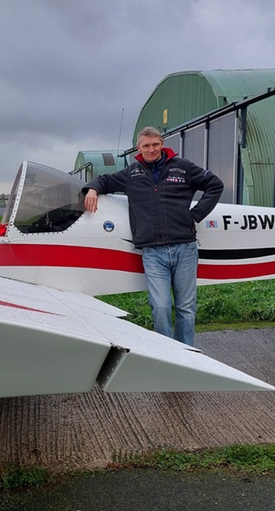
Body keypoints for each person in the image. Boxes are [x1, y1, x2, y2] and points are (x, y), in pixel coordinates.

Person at [82, 127, 223, 347]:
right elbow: (105, 180)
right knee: (161, 307)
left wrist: (195, 215)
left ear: (162, 144)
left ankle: (187, 355)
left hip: (184, 247)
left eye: (155, 144)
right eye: (146, 146)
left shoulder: (182, 167)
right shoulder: (132, 173)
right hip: (152, 252)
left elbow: (215, 185)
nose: (151, 149)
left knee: (186, 307)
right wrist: (92, 189)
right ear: (138, 148)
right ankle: (167, 353)